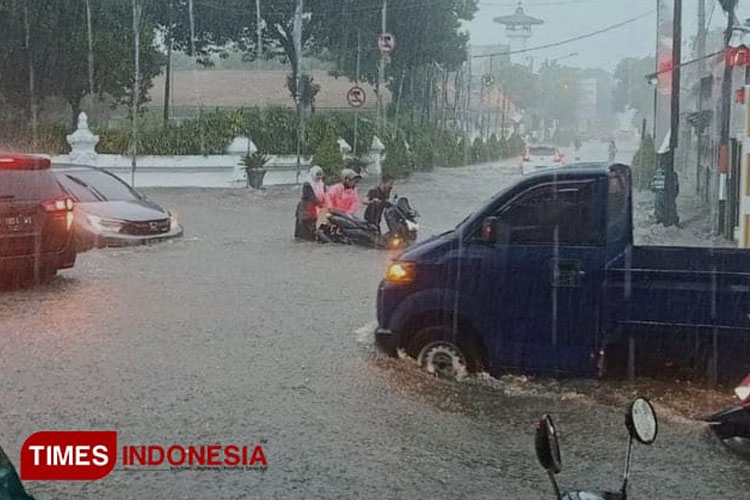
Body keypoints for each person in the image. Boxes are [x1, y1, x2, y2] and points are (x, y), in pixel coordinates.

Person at [294, 166, 328, 241]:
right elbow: (311, 197)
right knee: (303, 227)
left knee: (313, 225)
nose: (319, 177)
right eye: (317, 174)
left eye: (320, 174)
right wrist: (322, 205)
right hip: (305, 208)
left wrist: (327, 204)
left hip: (314, 209)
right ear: (313, 174)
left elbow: (325, 196)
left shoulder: (322, 185)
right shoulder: (307, 184)